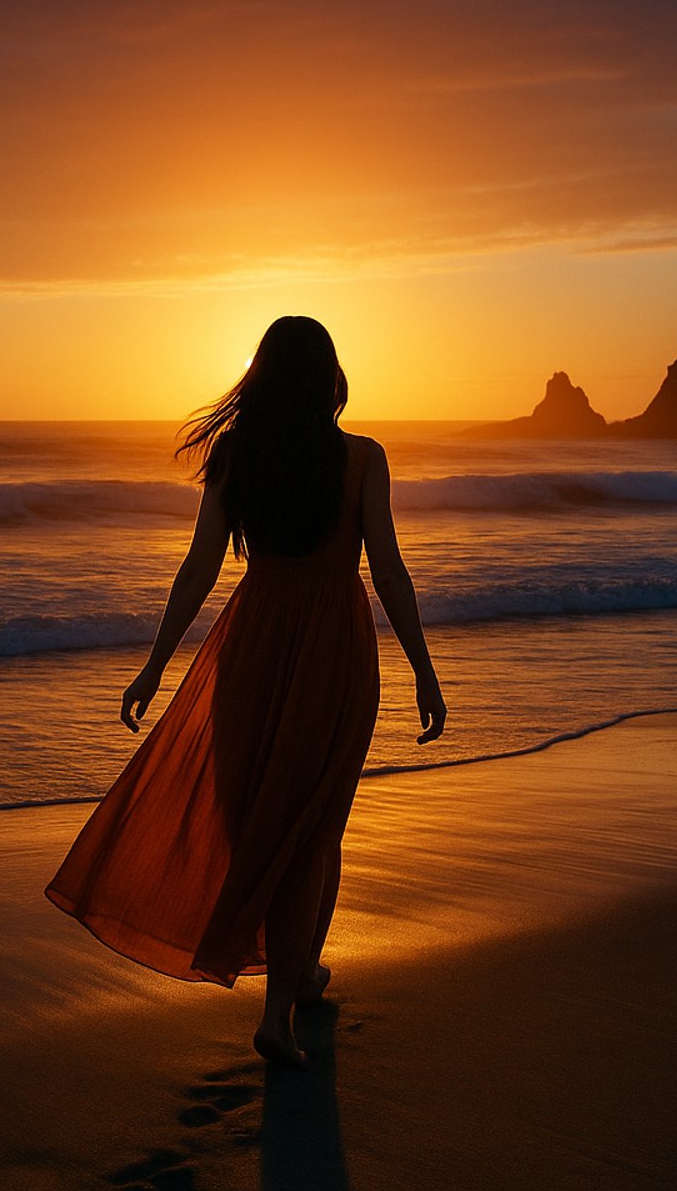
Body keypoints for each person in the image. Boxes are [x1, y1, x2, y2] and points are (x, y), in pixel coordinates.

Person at [45, 315, 446, 1068]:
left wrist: (157, 664)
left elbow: (200, 568)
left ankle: (298, 973)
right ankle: (279, 1008)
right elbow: (387, 570)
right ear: (330, 378)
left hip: (251, 640)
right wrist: (425, 670)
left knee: (256, 815)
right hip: (334, 647)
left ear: (260, 378)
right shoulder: (362, 459)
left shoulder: (238, 458)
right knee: (313, 826)